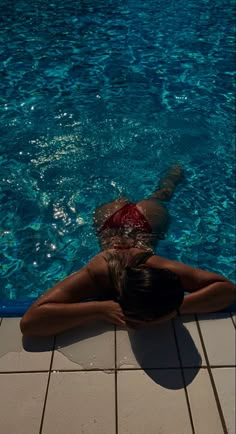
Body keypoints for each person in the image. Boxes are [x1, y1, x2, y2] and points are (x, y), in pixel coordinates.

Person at [20, 165, 236, 337]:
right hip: (145, 223)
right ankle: (171, 176)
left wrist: (176, 309)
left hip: (112, 222)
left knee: (154, 196)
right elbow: (30, 324)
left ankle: (170, 176)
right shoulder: (99, 273)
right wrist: (99, 309)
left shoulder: (154, 266)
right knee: (158, 197)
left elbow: (228, 290)